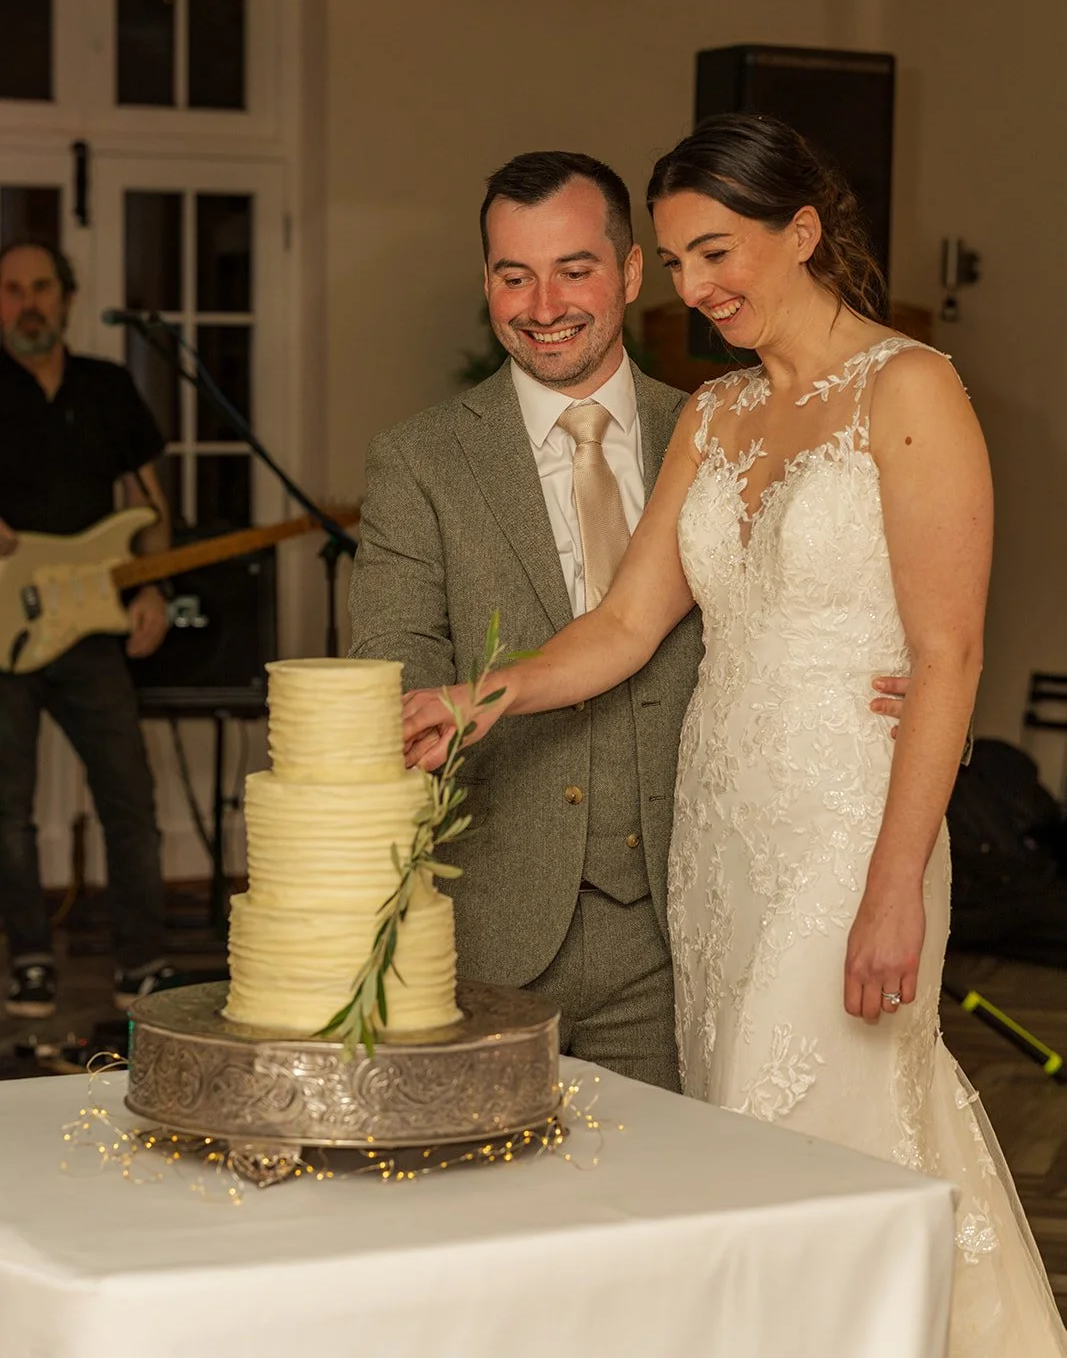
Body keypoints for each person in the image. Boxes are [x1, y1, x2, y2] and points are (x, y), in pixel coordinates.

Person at [404, 117, 1066, 1352]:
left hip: (848, 826)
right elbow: (620, 625)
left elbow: (947, 654)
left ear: (802, 230)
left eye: (718, 252)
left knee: (823, 1122)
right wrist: (466, 702)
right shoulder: (711, 415)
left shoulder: (910, 387)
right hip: (718, 835)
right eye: (675, 258)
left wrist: (890, 887)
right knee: (746, 1139)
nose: (697, 288)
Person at [349, 149, 902, 1093]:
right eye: (512, 275)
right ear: (486, 282)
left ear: (632, 272)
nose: (543, 303)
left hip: (692, 918)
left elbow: (846, 607)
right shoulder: (418, 462)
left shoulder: (724, 428)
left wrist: (920, 704)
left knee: (682, 1213)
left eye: (574, 269)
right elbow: (397, 675)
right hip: (491, 929)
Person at [0, 241, 172, 1019]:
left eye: (40, 288)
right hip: (4, 632)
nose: (27, 303)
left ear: (66, 298)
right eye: (11, 291)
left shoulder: (106, 386)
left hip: (93, 625)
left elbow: (148, 504)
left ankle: (143, 961)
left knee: (129, 796)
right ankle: (31, 957)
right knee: (8, 807)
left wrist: (153, 586)